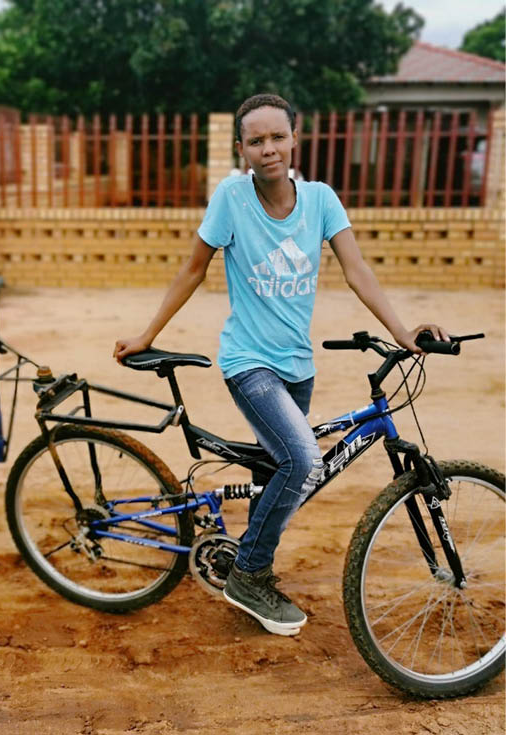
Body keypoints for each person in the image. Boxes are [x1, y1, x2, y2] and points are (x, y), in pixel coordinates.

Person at [113, 93, 448, 637]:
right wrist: (147, 334)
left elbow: (357, 269)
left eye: (277, 137)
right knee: (302, 459)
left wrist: (402, 332)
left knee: (279, 474)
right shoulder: (231, 198)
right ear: (241, 148)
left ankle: (242, 561)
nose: (268, 149)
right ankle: (249, 576)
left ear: (295, 139)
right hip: (249, 363)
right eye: (256, 140)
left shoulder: (320, 200)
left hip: (299, 366)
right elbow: (193, 270)